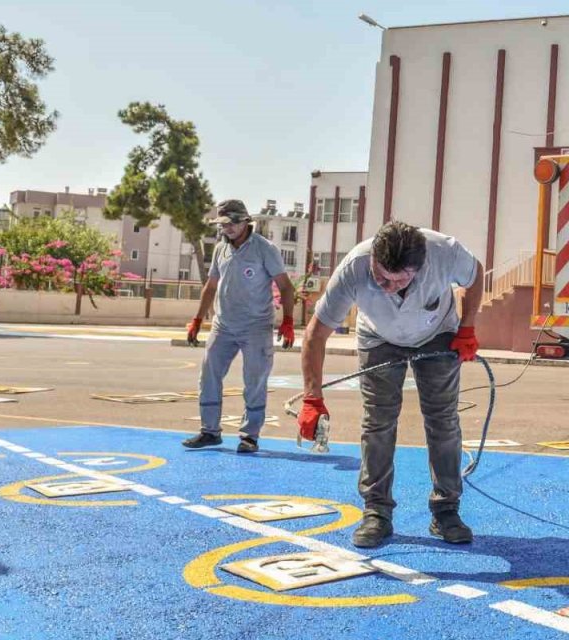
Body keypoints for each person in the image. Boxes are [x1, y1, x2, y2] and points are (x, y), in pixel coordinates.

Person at [297, 220, 482, 548]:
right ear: (373, 259)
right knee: (378, 422)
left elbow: (476, 274)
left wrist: (467, 327)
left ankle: (446, 509)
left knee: (442, 420)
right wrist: (312, 398)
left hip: (437, 333)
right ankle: (376, 511)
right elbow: (316, 333)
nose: (387, 287)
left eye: (399, 281)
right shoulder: (354, 268)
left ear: (420, 267)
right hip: (378, 336)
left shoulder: (444, 253)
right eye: (380, 276)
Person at [182, 199, 296, 454]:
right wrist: (198, 319)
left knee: (254, 380)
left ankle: (249, 436)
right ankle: (210, 431)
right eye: (223, 223)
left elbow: (286, 287)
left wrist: (288, 321)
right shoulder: (220, 250)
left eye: (233, 222)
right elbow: (211, 287)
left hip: (256, 326)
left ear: (246, 221)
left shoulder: (264, 249)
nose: (228, 228)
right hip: (223, 325)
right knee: (209, 375)